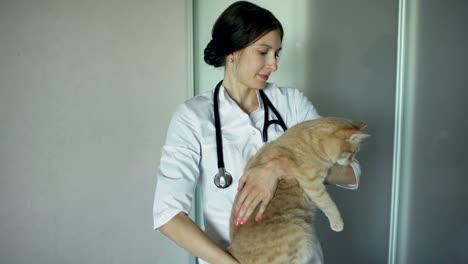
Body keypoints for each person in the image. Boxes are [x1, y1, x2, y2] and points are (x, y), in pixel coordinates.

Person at [153, 1, 361, 263]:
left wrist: (281, 167)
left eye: (277, 53)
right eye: (263, 52)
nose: (273, 64)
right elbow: (168, 216)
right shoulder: (193, 117)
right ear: (231, 52)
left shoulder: (292, 103)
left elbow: (351, 172)